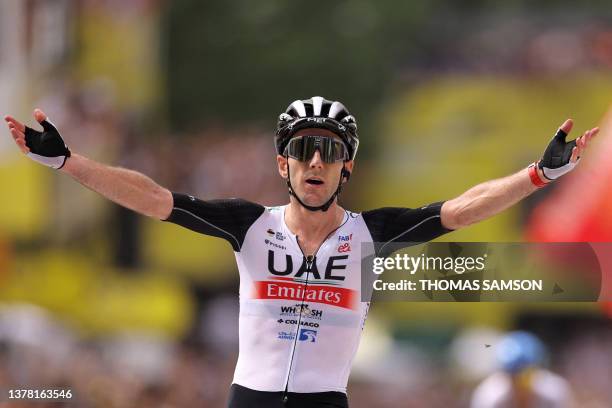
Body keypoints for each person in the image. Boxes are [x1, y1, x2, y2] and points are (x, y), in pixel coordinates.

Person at [4, 97, 598, 408]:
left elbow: (462, 209)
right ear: (282, 164)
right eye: (304, 150)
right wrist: (67, 161)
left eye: (330, 151)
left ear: (348, 167)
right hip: (250, 401)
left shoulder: (372, 232)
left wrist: (538, 177)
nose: (317, 162)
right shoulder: (247, 225)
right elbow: (154, 198)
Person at [470, 331, 575, 408]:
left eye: (524, 374)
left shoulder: (554, 392)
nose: (518, 381)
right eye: (512, 374)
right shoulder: (490, 397)